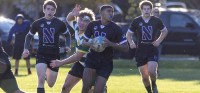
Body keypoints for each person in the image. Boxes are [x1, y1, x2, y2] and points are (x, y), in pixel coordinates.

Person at [22, 0, 70, 93]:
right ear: (44, 10)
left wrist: (67, 45)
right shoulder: (37, 23)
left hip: (54, 56)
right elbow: (29, 36)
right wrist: (25, 49)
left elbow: (67, 35)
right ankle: (43, 72)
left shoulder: (60, 23)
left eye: (52, 9)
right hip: (41, 54)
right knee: (40, 79)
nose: (50, 11)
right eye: (48, 9)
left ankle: (46, 73)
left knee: (51, 84)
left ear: (55, 11)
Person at [50, 5, 97, 93]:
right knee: (65, 88)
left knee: (89, 91)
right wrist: (73, 13)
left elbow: (77, 57)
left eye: (86, 21)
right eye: (80, 20)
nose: (81, 23)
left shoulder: (89, 37)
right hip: (80, 64)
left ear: (91, 24)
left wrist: (60, 62)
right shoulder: (76, 27)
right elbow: (69, 19)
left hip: (91, 67)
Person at [81, 5, 128, 93]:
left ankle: (103, 88)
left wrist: (110, 44)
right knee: (86, 87)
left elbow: (126, 48)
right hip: (92, 59)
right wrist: (92, 43)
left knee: (97, 91)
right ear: (101, 13)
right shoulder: (92, 24)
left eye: (112, 12)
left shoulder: (116, 28)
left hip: (106, 62)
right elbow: (84, 42)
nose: (111, 13)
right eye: (108, 11)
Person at [126, 1, 168, 93]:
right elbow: (128, 34)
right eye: (144, 9)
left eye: (148, 9)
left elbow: (165, 31)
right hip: (140, 50)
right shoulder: (136, 21)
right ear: (141, 10)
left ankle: (154, 84)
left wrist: (158, 41)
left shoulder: (156, 20)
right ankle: (149, 91)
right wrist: (131, 43)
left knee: (151, 71)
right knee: (145, 77)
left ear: (151, 9)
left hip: (152, 49)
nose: (146, 11)